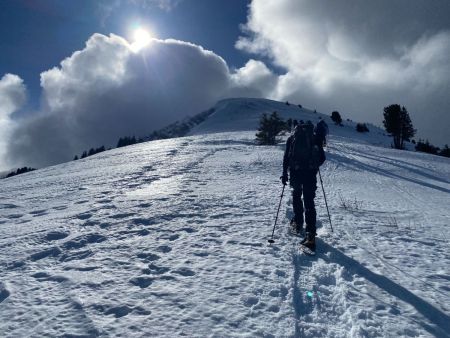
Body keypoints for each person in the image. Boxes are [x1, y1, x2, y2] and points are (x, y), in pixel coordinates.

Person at [281, 121, 326, 251]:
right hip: (310, 174)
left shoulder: (292, 138)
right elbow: (322, 158)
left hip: (295, 172)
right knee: (309, 201)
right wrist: (314, 165)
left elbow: (286, 157)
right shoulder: (315, 138)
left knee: (296, 195)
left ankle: (297, 223)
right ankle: (310, 234)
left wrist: (285, 173)